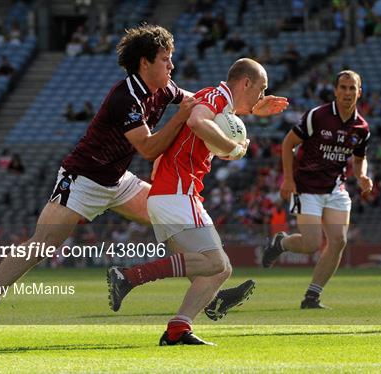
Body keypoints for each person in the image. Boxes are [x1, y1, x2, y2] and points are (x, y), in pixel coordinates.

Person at [0, 24, 203, 347]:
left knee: (172, 216)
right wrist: (180, 118)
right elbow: (147, 149)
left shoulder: (164, 88)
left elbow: (196, 102)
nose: (171, 66)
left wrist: (235, 105)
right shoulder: (125, 97)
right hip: (82, 180)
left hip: (118, 181)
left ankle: (204, 291)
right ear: (145, 63)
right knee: (42, 245)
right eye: (165, 59)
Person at [107, 58, 289, 345]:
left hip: (173, 194)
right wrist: (233, 148)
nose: (262, 95)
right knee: (214, 263)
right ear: (245, 83)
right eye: (261, 89)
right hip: (177, 192)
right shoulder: (214, 96)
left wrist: (254, 110)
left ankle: (178, 329)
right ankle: (130, 276)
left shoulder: (217, 101)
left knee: (219, 269)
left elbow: (207, 122)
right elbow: (196, 120)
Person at [261, 70, 373, 309]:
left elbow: (359, 157)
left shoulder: (362, 127)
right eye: (343, 87)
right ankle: (280, 244)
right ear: (335, 90)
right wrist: (288, 180)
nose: (347, 92)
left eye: (352, 88)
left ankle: (312, 296)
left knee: (338, 241)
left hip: (335, 188)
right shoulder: (318, 116)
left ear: (359, 92)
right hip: (306, 187)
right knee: (311, 244)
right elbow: (288, 143)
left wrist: (362, 175)